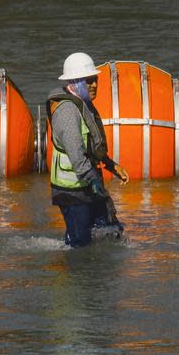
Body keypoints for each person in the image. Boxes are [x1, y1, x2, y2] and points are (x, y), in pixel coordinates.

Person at [47, 52, 130, 248]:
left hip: (88, 184)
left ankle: (100, 274)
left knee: (110, 231)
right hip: (72, 193)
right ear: (74, 81)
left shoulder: (83, 104)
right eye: (88, 81)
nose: (94, 85)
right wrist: (94, 182)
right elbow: (77, 157)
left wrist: (111, 166)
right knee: (80, 245)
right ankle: (76, 274)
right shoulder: (67, 111)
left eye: (95, 80)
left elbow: (92, 146)